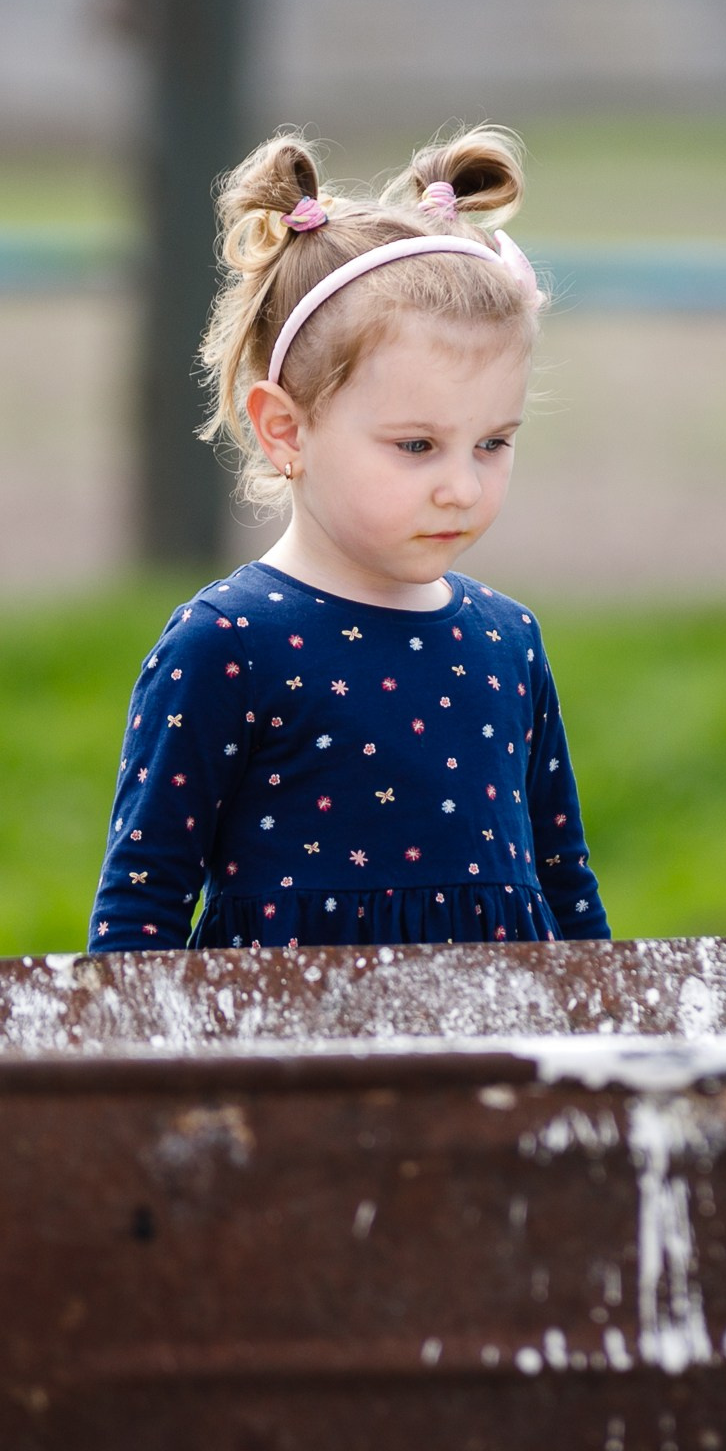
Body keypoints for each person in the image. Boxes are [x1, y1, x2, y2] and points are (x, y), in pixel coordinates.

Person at [88, 125, 609, 952]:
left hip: (495, 1070)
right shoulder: (228, 645)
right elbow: (140, 913)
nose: (462, 486)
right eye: (416, 445)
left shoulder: (510, 641)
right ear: (285, 430)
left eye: (493, 442)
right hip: (290, 1069)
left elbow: (569, 894)